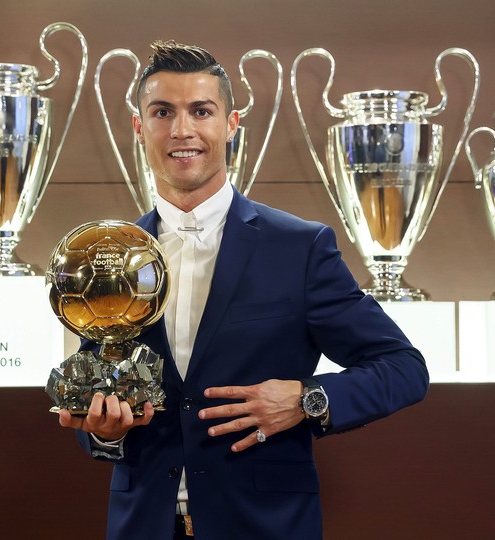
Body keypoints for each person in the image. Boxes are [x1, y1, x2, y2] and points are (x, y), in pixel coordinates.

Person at [57, 40, 429, 539]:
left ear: (231, 126)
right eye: (163, 112)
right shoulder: (109, 256)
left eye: (201, 111)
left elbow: (404, 368)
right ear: (140, 127)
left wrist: (306, 399)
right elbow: (100, 398)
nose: (182, 130)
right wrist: (105, 432)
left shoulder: (299, 248)